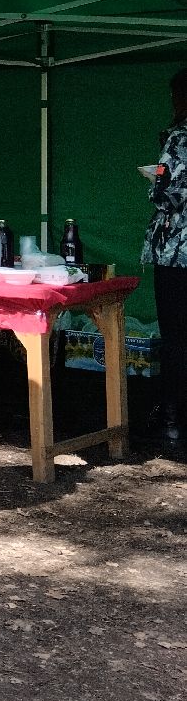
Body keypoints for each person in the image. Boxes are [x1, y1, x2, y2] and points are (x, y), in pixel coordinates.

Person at [144, 67, 187, 445]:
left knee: (175, 336)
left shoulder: (178, 138)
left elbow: (164, 194)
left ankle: (172, 422)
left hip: (177, 253)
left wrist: (156, 179)